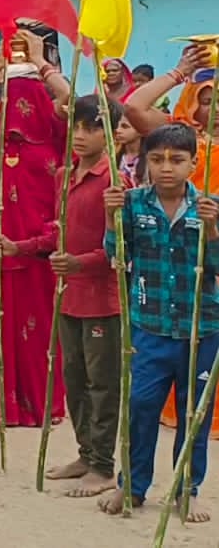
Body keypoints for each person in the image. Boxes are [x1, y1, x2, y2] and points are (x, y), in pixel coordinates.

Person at [0, 96, 119, 498]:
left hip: (103, 298)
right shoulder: (66, 175)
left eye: (92, 128)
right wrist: (20, 247)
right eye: (77, 127)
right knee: (73, 378)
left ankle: (103, 465)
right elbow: (57, 231)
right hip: (69, 295)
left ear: (109, 133)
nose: (81, 136)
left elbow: (120, 247)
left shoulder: (114, 182)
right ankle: (85, 453)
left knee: (103, 384)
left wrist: (80, 263)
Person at [100, 124, 219, 521]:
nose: (166, 168)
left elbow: (216, 267)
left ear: (193, 164)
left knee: (193, 415)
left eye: (176, 160)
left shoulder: (209, 207)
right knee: (140, 406)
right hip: (149, 327)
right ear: (146, 162)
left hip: (201, 329)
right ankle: (130, 486)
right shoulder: (132, 204)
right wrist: (109, 217)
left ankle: (189, 489)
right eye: (157, 159)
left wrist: (213, 231)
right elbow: (116, 256)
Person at [0, 36, 70, 428]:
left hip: (39, 253)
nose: (20, 107)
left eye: (28, 97)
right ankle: (4, 404)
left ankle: (41, 404)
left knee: (40, 334)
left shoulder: (55, 137)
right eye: (13, 97)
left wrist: (39, 63)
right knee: (0, 327)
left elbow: (70, 100)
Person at [125, 44, 219, 189]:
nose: (216, 109)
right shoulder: (177, 132)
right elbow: (134, 107)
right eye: (207, 102)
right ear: (192, 104)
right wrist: (179, 73)